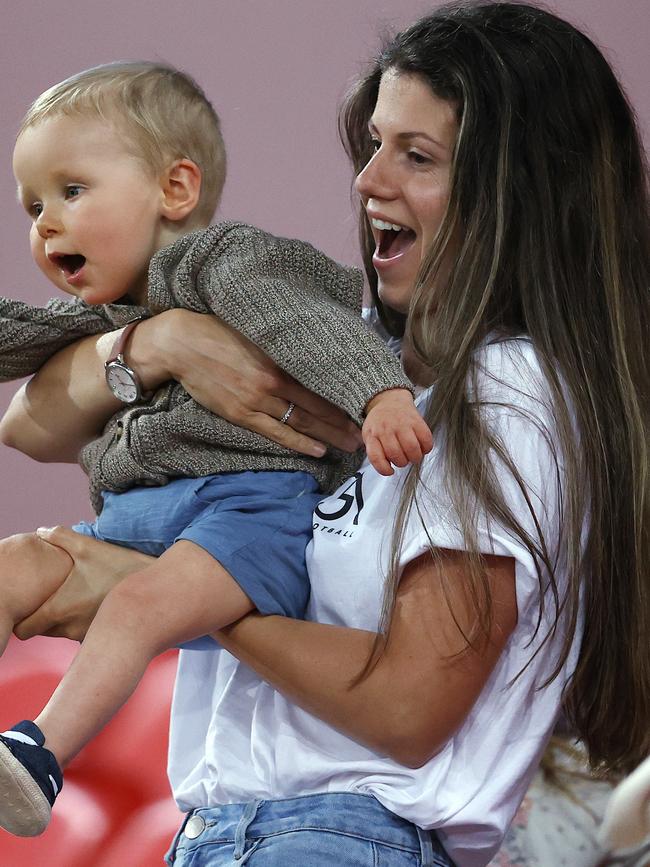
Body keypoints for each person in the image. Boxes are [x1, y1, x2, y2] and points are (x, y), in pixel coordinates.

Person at [2, 2, 649, 865]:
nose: (367, 180)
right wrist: (155, 343)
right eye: (373, 143)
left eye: (415, 156)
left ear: (516, 191)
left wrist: (172, 597)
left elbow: (409, 711)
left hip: (341, 837)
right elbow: (29, 423)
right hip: (229, 835)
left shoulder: (507, 389)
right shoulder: (349, 341)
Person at [0, 61, 433, 837]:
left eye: (71, 191)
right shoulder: (117, 310)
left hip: (245, 517)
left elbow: (307, 324)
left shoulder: (226, 261)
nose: (45, 224)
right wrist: (145, 340)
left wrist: (380, 392)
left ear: (175, 190)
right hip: (146, 519)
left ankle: (38, 753)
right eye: (33, 205)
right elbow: (23, 348)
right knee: (11, 564)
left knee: (136, 603)